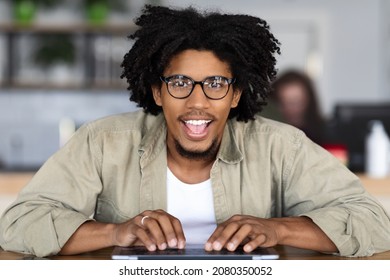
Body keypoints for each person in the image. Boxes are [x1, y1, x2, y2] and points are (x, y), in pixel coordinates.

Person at [1, 5, 390, 258]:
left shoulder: (280, 146)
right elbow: (17, 225)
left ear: (235, 94)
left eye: (217, 84)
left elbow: (374, 223)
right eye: (180, 83)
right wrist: (115, 232)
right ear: (157, 90)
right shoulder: (103, 142)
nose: (197, 102)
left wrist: (276, 228)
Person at [266, 70, 327, 145]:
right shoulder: (268, 135)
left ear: (309, 101)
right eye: (284, 103)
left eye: (297, 102)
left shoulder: (325, 134)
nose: (291, 109)